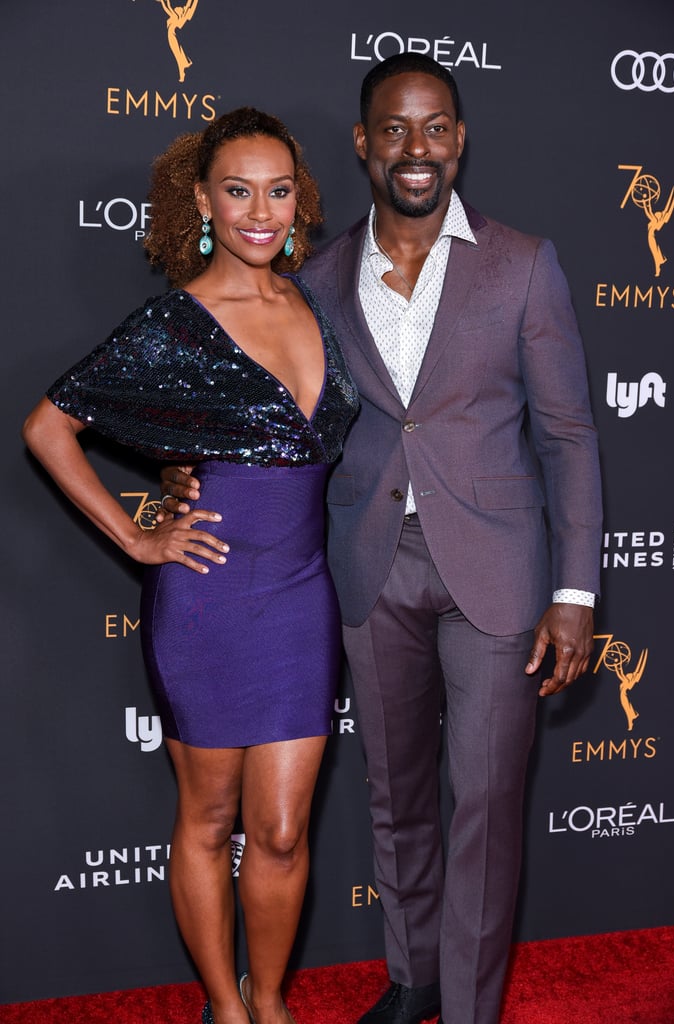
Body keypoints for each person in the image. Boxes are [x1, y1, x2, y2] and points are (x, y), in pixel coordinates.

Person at [161, 54, 603, 1024]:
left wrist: (575, 594)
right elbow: (262, 410)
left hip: (496, 573)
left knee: (483, 807)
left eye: (435, 127)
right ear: (363, 144)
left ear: (459, 139)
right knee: (396, 800)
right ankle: (415, 978)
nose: (417, 148)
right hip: (362, 565)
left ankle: (474, 1007)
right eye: (395, 129)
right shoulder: (314, 274)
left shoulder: (523, 263)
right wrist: (181, 469)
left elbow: (569, 433)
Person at [22, 108, 358, 1024]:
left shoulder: (314, 302)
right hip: (206, 601)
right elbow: (48, 429)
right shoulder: (176, 323)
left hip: (299, 600)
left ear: (301, 197)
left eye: (280, 190)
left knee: (283, 832)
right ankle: (225, 1006)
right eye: (239, 191)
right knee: (210, 822)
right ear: (202, 201)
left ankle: (273, 1001)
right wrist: (137, 539)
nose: (262, 211)